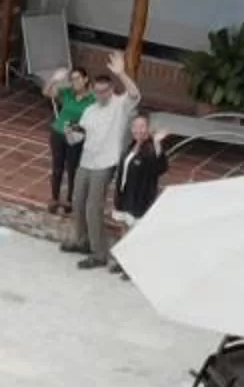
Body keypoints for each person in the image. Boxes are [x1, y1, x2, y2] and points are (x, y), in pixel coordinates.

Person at [70, 57, 137, 268]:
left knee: (93, 207)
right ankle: (82, 241)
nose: (101, 95)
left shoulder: (120, 105)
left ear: (111, 89)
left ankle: (99, 254)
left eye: (104, 91)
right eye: (97, 92)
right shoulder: (90, 110)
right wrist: (70, 133)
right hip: (86, 161)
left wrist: (121, 73)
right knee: (77, 201)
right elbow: (78, 138)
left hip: (106, 162)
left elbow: (135, 94)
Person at [46, 68, 91, 216]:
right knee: (57, 166)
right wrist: (54, 80)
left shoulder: (92, 99)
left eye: (78, 78)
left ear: (85, 79)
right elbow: (47, 92)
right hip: (59, 132)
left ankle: (70, 199)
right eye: (72, 79)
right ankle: (54, 197)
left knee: (73, 168)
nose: (74, 82)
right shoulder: (67, 93)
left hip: (75, 135)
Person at [115, 113, 168, 226]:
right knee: (124, 227)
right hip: (125, 198)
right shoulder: (132, 145)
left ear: (148, 129)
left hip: (139, 202)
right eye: (135, 126)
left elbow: (160, 167)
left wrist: (157, 143)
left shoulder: (150, 148)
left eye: (142, 126)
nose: (138, 130)